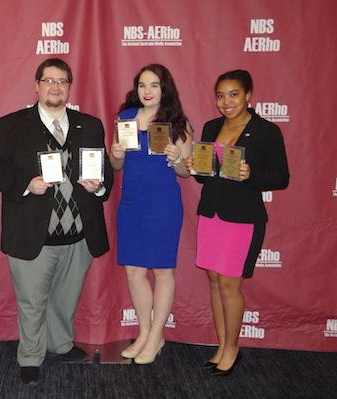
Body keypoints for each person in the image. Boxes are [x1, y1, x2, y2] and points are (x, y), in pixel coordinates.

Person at [0, 58, 113, 385]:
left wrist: (99, 186)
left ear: (69, 87)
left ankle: (60, 343)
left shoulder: (91, 124)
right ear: (37, 86)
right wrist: (26, 184)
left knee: (66, 297)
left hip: (79, 233)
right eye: (48, 80)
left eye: (61, 81)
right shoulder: (12, 124)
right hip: (32, 232)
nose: (55, 87)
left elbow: (104, 172)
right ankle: (30, 356)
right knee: (31, 301)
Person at [185, 69, 289, 376]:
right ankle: (222, 345)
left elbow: (281, 178)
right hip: (212, 214)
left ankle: (233, 349)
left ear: (247, 96)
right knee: (215, 283)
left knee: (230, 286)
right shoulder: (212, 125)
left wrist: (251, 174)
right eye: (220, 95)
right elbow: (206, 176)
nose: (226, 102)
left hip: (242, 219)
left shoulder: (266, 131)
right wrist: (194, 168)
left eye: (233, 94)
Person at [110, 64, 192, 364]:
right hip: (132, 202)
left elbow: (186, 172)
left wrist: (176, 159)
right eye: (142, 85)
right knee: (133, 271)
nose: (147, 91)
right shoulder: (126, 117)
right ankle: (144, 333)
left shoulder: (177, 122)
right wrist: (115, 155)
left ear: (164, 89)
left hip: (163, 204)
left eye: (154, 85)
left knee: (162, 271)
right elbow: (117, 165)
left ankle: (157, 336)